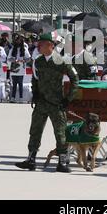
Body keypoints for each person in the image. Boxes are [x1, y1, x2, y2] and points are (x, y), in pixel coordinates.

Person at [15, 33, 79, 173]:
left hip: (57, 104)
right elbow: (35, 79)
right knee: (35, 131)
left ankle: (62, 162)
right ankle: (31, 159)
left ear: (51, 45)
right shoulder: (38, 61)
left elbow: (75, 80)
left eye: (41, 44)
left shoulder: (62, 61)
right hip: (41, 102)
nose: (38, 46)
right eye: (38, 44)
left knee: (60, 133)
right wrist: (35, 93)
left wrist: (68, 99)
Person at [8, 35, 31, 103]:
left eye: (19, 40)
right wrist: (14, 60)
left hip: (21, 68)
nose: (18, 42)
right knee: (14, 83)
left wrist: (23, 61)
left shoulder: (24, 49)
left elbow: (29, 58)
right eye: (17, 40)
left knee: (20, 83)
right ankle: (13, 97)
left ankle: (21, 97)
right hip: (14, 68)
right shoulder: (12, 49)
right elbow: (9, 58)